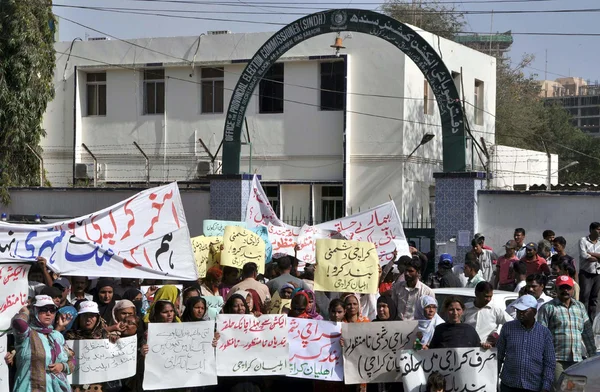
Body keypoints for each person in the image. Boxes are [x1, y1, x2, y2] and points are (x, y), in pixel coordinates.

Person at [538, 275, 596, 389]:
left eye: (568, 287)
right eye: (562, 287)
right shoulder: (547, 308)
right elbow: (540, 336)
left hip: (577, 360)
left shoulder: (580, 307)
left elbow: (587, 333)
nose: (565, 290)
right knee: (560, 388)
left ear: (573, 289)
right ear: (556, 288)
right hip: (555, 359)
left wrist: (592, 355)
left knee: (576, 390)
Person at [11, 295, 74, 392]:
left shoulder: (57, 336)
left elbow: (72, 360)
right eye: (43, 310)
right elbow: (18, 322)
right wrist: (26, 311)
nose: (48, 313)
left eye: (52, 310)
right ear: (34, 311)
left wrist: (62, 366)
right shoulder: (27, 334)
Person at [497, 294, 555, 392]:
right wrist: (493, 379)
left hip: (533, 385)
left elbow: (549, 362)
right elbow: (499, 355)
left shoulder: (544, 333)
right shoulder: (507, 328)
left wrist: (546, 386)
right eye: (518, 311)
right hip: (509, 384)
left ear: (534, 312)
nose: (520, 314)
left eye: (524, 311)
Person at [463, 282, 512, 346]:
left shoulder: (495, 310)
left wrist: (500, 338)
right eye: (486, 296)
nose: (488, 299)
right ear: (477, 293)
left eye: (490, 296)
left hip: (488, 352)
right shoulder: (465, 309)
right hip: (466, 349)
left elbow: (512, 325)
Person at [578, 222, 600, 319]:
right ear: (591, 230)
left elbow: (588, 255)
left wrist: (591, 253)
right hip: (586, 273)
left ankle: (592, 321)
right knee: (584, 297)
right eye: (598, 229)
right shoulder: (583, 240)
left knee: (594, 298)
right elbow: (584, 256)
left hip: (598, 273)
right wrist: (597, 257)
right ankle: (583, 320)